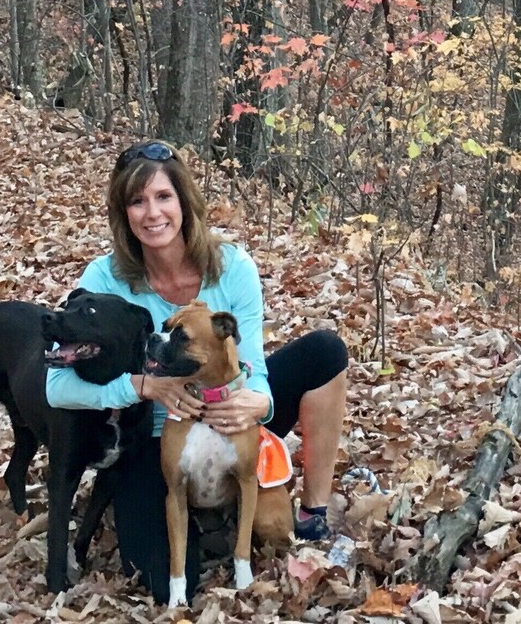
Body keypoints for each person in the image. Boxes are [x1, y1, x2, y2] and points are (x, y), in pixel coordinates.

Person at [46, 140, 348, 604]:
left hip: (227, 406)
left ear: (184, 201)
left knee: (325, 351)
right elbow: (57, 386)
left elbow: (255, 364)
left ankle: (312, 513)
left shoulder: (232, 268)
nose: (152, 214)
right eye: (137, 201)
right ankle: (187, 515)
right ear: (122, 213)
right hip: (154, 436)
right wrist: (144, 387)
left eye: (163, 197)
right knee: (155, 576)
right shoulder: (104, 280)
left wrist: (259, 402)